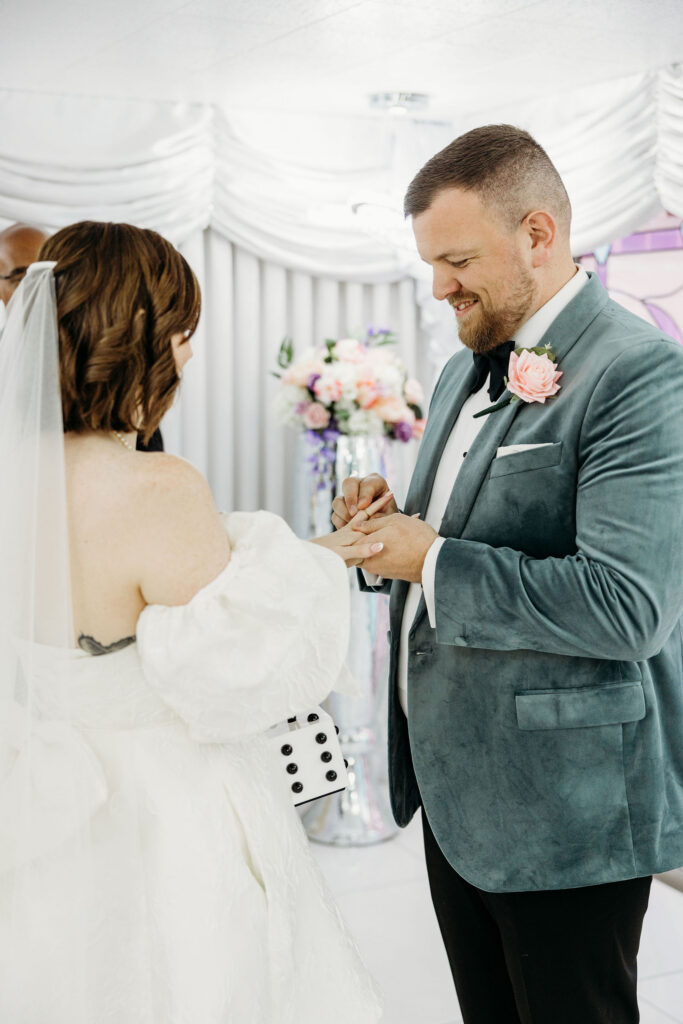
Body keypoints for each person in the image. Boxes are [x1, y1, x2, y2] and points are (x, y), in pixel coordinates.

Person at [332, 124, 683, 1024]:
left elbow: (627, 609)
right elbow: (450, 539)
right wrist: (386, 539)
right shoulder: (457, 370)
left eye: (455, 260)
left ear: (537, 234)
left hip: (567, 805)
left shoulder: (641, 375)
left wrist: (432, 556)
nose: (438, 286)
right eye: (430, 263)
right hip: (458, 792)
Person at [0, 220, 383, 1023]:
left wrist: (303, 553)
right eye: (183, 331)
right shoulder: (157, 485)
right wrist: (320, 566)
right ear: (140, 338)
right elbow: (235, 663)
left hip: (43, 797)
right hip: (161, 801)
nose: (188, 352)